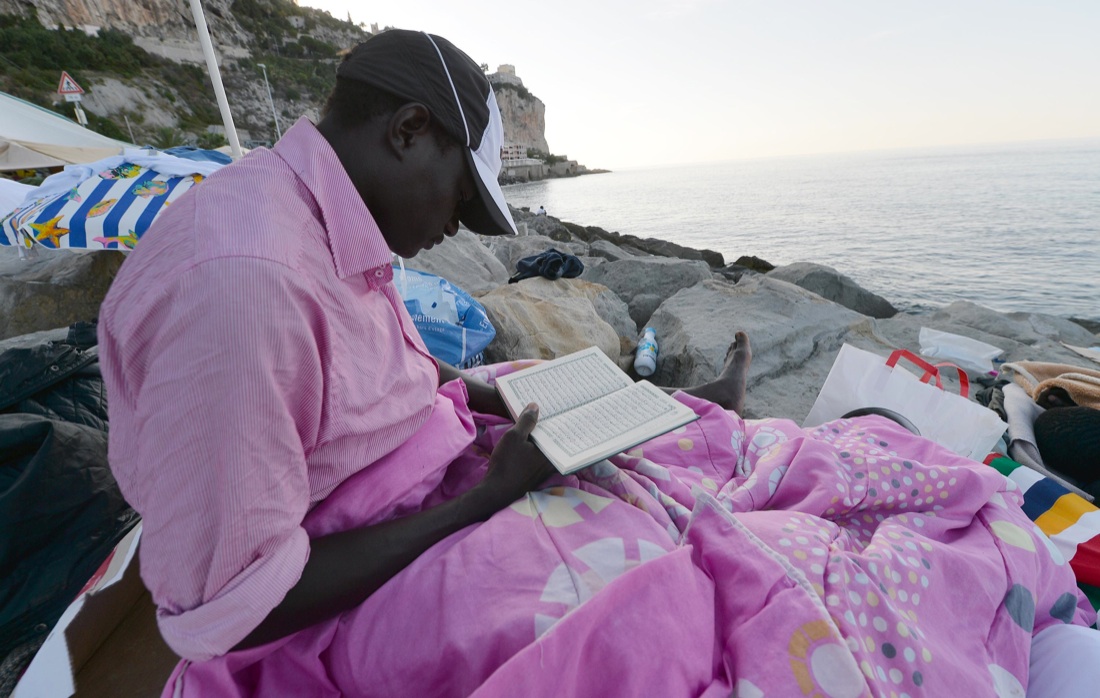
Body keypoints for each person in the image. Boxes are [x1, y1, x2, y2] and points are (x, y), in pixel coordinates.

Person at [99, 30, 1093, 698]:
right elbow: (232, 607)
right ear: (407, 133)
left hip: (448, 474)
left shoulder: (316, 223)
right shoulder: (239, 283)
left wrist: (601, 396)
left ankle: (669, 419)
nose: (457, 226)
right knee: (679, 602)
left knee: (747, 453)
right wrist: (480, 500)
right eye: (461, 201)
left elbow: (364, 400)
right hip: (371, 574)